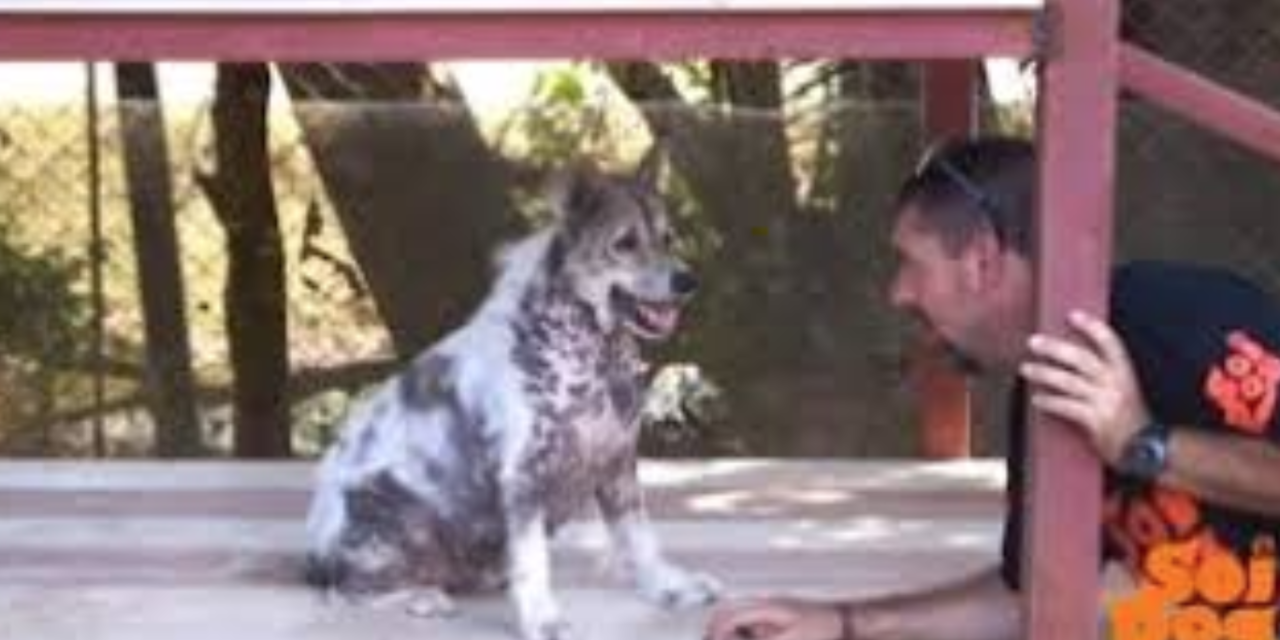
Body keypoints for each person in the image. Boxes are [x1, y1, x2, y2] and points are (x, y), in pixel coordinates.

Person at [705, 136, 1280, 640]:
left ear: (980, 260)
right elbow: (1025, 594)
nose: (897, 293)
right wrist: (846, 624)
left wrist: (1142, 442)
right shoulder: (1044, 391)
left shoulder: (1175, 319)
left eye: (910, 262)